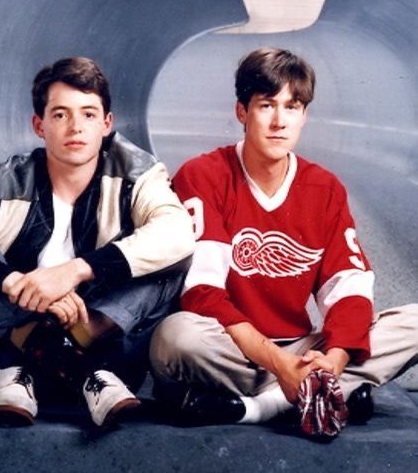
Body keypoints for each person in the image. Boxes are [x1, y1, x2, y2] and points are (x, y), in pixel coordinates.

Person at [149, 47, 418, 436]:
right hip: (228, 347)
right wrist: (279, 366)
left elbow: (349, 288)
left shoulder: (324, 188)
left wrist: (334, 362)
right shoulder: (203, 174)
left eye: (291, 107)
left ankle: (261, 407)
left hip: (301, 348)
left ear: (304, 116)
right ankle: (325, 395)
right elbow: (202, 292)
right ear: (242, 112)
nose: (279, 121)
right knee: (175, 337)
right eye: (266, 105)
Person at [0, 57, 194, 427]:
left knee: (168, 261)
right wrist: (14, 282)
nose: (76, 127)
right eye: (61, 114)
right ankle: (50, 365)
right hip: (6, 362)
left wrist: (75, 272)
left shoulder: (138, 175)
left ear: (107, 124)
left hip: (109, 362)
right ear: (39, 125)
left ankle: (82, 362)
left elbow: (177, 233)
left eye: (89, 114)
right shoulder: (1, 183)